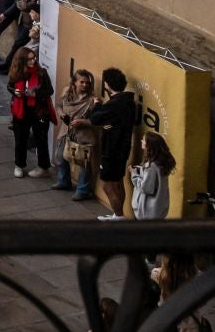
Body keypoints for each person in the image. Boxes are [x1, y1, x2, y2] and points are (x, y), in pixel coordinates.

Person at [82, 68, 139, 218]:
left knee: (108, 185)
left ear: (107, 84)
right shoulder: (128, 102)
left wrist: (97, 104)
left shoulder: (114, 104)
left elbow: (94, 119)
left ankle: (119, 216)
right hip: (122, 149)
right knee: (118, 182)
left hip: (111, 151)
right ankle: (117, 215)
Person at [4, 48, 54, 177]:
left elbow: (49, 91)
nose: (33, 61)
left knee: (40, 139)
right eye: (30, 59)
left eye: (34, 58)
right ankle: (19, 165)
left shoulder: (41, 73)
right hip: (21, 110)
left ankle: (43, 167)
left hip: (39, 111)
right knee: (20, 139)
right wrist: (14, 92)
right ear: (22, 61)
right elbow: (10, 86)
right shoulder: (17, 72)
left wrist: (35, 93)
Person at [52, 69, 99, 200]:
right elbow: (58, 105)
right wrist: (61, 114)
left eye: (87, 83)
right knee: (60, 157)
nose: (85, 85)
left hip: (83, 135)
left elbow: (96, 119)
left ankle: (82, 190)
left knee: (84, 162)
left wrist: (85, 119)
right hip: (66, 131)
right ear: (74, 82)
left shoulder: (92, 100)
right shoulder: (67, 93)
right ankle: (64, 181)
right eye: (82, 82)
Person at [128, 131, 175, 221]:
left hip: (147, 212)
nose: (142, 141)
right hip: (159, 209)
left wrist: (134, 174)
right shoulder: (162, 163)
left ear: (149, 146)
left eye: (144, 140)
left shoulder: (151, 166)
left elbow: (146, 188)